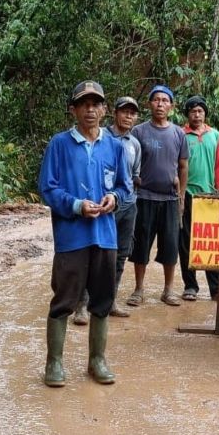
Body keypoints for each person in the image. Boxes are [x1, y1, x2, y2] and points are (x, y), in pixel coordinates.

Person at [38, 80, 132, 386]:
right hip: (71, 237)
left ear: (104, 109)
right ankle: (54, 363)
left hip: (105, 236)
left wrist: (114, 199)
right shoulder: (59, 144)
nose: (90, 110)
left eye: (96, 104)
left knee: (102, 300)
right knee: (64, 300)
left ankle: (97, 361)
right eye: (84, 104)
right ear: (74, 110)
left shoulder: (115, 146)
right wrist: (77, 205)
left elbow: (125, 187)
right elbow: (48, 188)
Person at [73, 96, 141, 324]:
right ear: (112, 112)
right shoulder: (103, 138)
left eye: (133, 113)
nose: (128, 116)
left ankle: (110, 300)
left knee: (120, 254)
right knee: (91, 254)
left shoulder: (134, 143)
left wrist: (120, 195)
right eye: (124, 111)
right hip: (99, 208)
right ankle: (82, 304)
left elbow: (132, 178)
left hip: (127, 204)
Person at [126, 85, 189, 308]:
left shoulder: (178, 134)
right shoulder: (139, 132)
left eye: (165, 100)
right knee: (141, 245)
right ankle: (139, 289)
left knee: (171, 246)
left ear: (171, 106)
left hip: (170, 200)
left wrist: (181, 195)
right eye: (156, 100)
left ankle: (169, 290)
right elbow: (129, 161)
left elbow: (183, 167)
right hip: (143, 198)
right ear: (149, 104)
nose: (160, 104)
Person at [177, 95, 219, 301]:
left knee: (210, 242)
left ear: (205, 114)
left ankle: (215, 289)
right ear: (187, 114)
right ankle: (190, 285)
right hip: (185, 195)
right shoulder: (179, 134)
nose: (197, 115)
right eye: (193, 111)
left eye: (200, 111)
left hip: (209, 196)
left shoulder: (214, 135)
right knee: (186, 241)